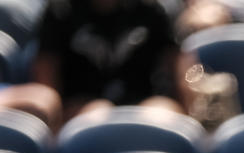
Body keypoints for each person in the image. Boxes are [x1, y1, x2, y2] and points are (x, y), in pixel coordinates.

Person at [29, 0, 185, 128]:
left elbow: (180, 70)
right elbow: (47, 80)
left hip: (146, 99)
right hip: (82, 103)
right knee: (97, 116)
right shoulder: (60, 9)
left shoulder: (156, 7)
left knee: (161, 118)